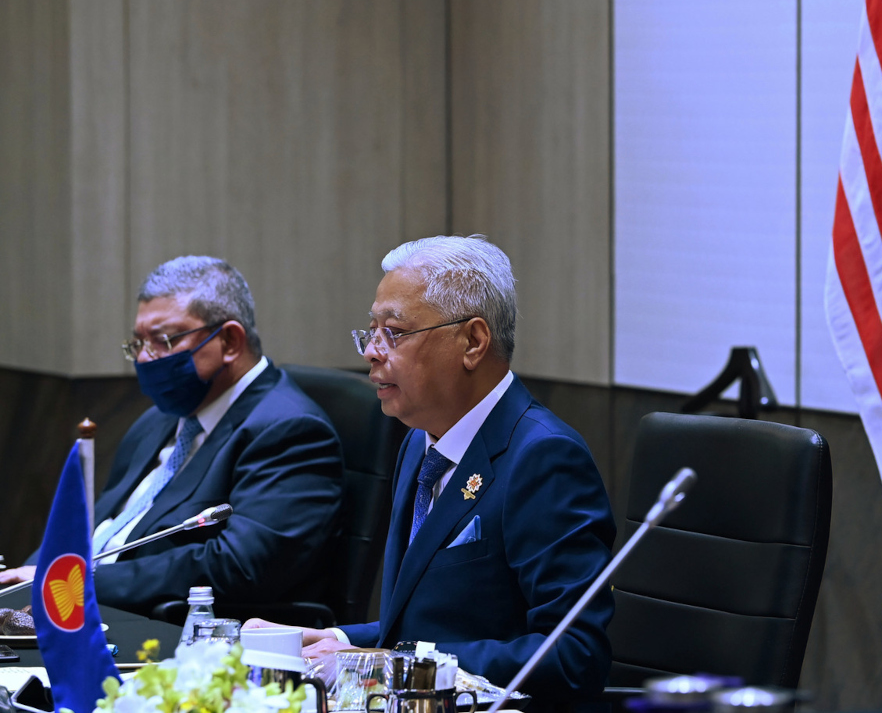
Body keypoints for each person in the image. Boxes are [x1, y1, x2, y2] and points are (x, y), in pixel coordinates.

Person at [248, 235, 616, 704]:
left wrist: (388, 664)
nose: (372, 352)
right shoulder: (420, 441)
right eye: (371, 331)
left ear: (473, 341)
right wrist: (338, 641)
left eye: (395, 333)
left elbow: (573, 656)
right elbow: (426, 626)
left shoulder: (543, 458)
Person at [0, 256, 343, 615]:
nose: (146, 359)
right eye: (139, 343)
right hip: (76, 605)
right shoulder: (160, 419)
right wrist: (31, 574)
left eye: (163, 341)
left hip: (162, 626)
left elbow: (241, 565)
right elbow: (94, 523)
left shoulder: (290, 430)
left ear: (228, 340)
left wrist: (77, 582)